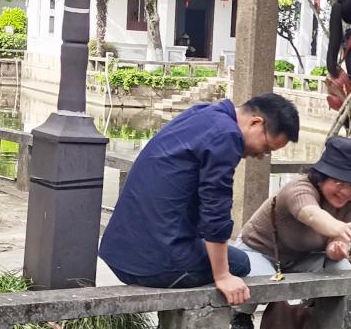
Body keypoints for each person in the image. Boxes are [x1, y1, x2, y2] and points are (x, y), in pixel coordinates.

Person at [99, 94, 300, 306]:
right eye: (267, 147)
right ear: (256, 122)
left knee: (216, 252)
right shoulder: (227, 135)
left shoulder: (203, 113)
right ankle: (230, 321)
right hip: (156, 264)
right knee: (241, 263)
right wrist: (223, 276)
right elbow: (216, 209)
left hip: (120, 253)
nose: (260, 155)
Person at [229, 136, 351, 329]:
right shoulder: (298, 188)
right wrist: (341, 227)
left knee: (342, 270)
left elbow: (337, 241)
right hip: (260, 250)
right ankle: (240, 315)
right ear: (322, 177)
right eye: (339, 183)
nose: (346, 192)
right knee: (265, 282)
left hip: (302, 256)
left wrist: (337, 248)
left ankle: (327, 325)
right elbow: (311, 215)